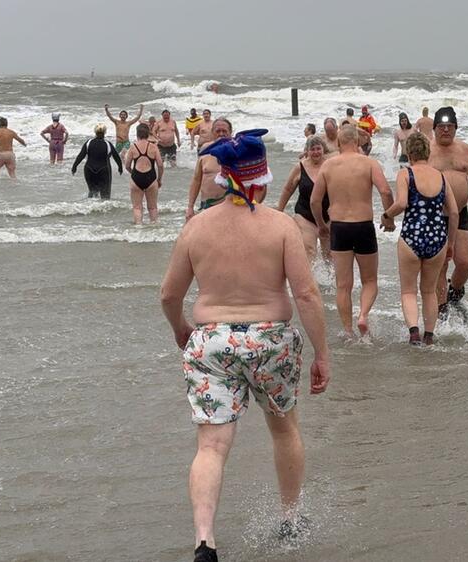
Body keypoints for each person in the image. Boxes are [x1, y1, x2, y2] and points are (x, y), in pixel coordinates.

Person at [159, 129, 330, 562]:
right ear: (261, 179)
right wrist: (321, 353)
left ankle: (204, 541)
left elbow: (168, 294)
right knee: (284, 429)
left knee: (211, 446)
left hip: (211, 340)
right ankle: (290, 520)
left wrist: (180, 328)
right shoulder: (280, 225)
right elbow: (306, 295)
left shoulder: (197, 227)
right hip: (270, 338)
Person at [310, 124, 395, 337]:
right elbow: (385, 190)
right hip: (363, 226)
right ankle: (363, 316)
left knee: (343, 286)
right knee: (369, 281)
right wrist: (389, 217)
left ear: (338, 143)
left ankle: (348, 331)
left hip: (339, 227)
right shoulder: (369, 163)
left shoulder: (328, 166)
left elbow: (315, 200)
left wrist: (321, 225)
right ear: (357, 142)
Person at [382, 133, 458, 345]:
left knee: (408, 290)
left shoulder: (406, 174)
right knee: (429, 291)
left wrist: (386, 215)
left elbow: (402, 203)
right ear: (428, 151)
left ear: (409, 152)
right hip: (437, 238)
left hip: (411, 237)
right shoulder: (441, 177)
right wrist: (450, 243)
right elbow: (453, 213)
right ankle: (430, 335)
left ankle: (414, 332)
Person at [428, 107, 468, 320]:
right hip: (434, 215)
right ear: (434, 128)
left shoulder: (465, 149)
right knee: (441, 265)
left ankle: (455, 293)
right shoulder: (426, 149)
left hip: (460, 213)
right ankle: (441, 313)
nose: (445, 130)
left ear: (455, 128)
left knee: (463, 263)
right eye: (441, 126)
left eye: (449, 126)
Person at [277, 136, 332, 262]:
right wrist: (280, 210)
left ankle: (330, 281)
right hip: (305, 215)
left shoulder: (330, 166)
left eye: (318, 149)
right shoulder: (300, 167)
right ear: (307, 151)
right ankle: (309, 279)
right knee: (309, 250)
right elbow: (288, 189)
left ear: (324, 150)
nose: (316, 152)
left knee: (329, 255)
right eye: (312, 149)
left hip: (328, 216)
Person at [185, 118, 235, 220]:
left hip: (232, 208)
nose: (221, 134)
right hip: (207, 207)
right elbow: (196, 180)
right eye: (218, 131)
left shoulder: (239, 150)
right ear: (212, 133)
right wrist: (190, 207)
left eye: (224, 131)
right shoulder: (205, 149)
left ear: (231, 132)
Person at [124, 124, 164, 224]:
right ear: (148, 134)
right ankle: (154, 228)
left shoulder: (133, 147)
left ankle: (138, 228)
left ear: (137, 134)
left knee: (137, 207)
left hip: (136, 177)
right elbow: (160, 165)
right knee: (153, 207)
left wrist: (133, 173)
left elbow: (127, 165)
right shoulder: (153, 147)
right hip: (151, 177)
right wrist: (159, 179)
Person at [72, 124, 124, 199]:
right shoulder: (107, 144)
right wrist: (120, 167)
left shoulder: (88, 142)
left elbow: (81, 156)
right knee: (105, 196)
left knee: (92, 192)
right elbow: (116, 157)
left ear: (95, 132)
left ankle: (90, 208)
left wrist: (74, 167)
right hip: (104, 170)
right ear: (105, 132)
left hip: (89, 169)